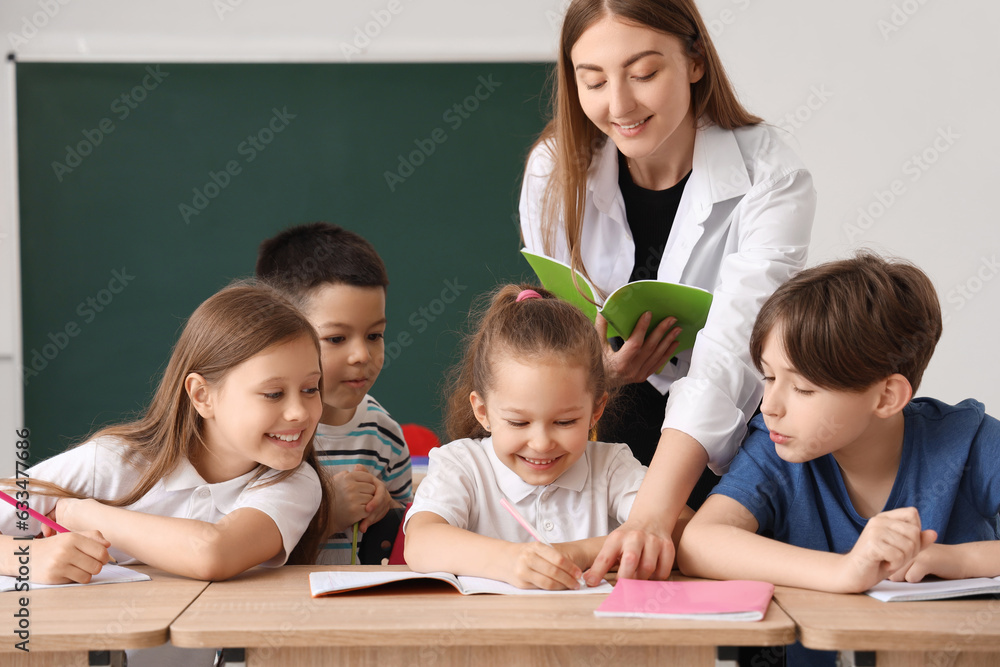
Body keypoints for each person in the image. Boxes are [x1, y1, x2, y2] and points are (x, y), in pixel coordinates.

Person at [519, 0, 816, 582]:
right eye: (594, 80)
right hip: (609, 423)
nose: (619, 105)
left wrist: (654, 512)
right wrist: (596, 369)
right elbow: (557, 324)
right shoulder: (554, 169)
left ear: (695, 61)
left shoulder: (769, 173)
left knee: (737, 599)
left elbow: (733, 349)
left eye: (644, 73)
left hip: (742, 430)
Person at [676, 253, 1000, 666]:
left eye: (804, 389)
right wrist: (846, 570)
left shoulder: (970, 440)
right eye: (769, 377)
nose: (770, 405)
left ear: (886, 397)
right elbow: (699, 543)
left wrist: (960, 560)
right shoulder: (776, 449)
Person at [0, 282, 329, 583]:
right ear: (202, 396)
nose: (299, 412)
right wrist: (26, 556)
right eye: (273, 394)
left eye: (311, 389)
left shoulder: (293, 483)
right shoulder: (113, 462)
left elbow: (212, 554)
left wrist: (80, 512)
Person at [403, 285, 684, 589]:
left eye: (564, 422)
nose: (541, 443)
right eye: (518, 422)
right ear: (482, 412)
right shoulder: (462, 464)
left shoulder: (611, 467)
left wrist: (576, 552)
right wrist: (510, 560)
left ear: (595, 410)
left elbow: (684, 531)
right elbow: (420, 542)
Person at [256, 222, 412, 564]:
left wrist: (388, 508)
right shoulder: (262, 433)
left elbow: (412, 529)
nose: (361, 356)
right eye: (337, 339)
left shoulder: (383, 433)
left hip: (354, 612)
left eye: (374, 335)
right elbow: (236, 541)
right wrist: (325, 516)